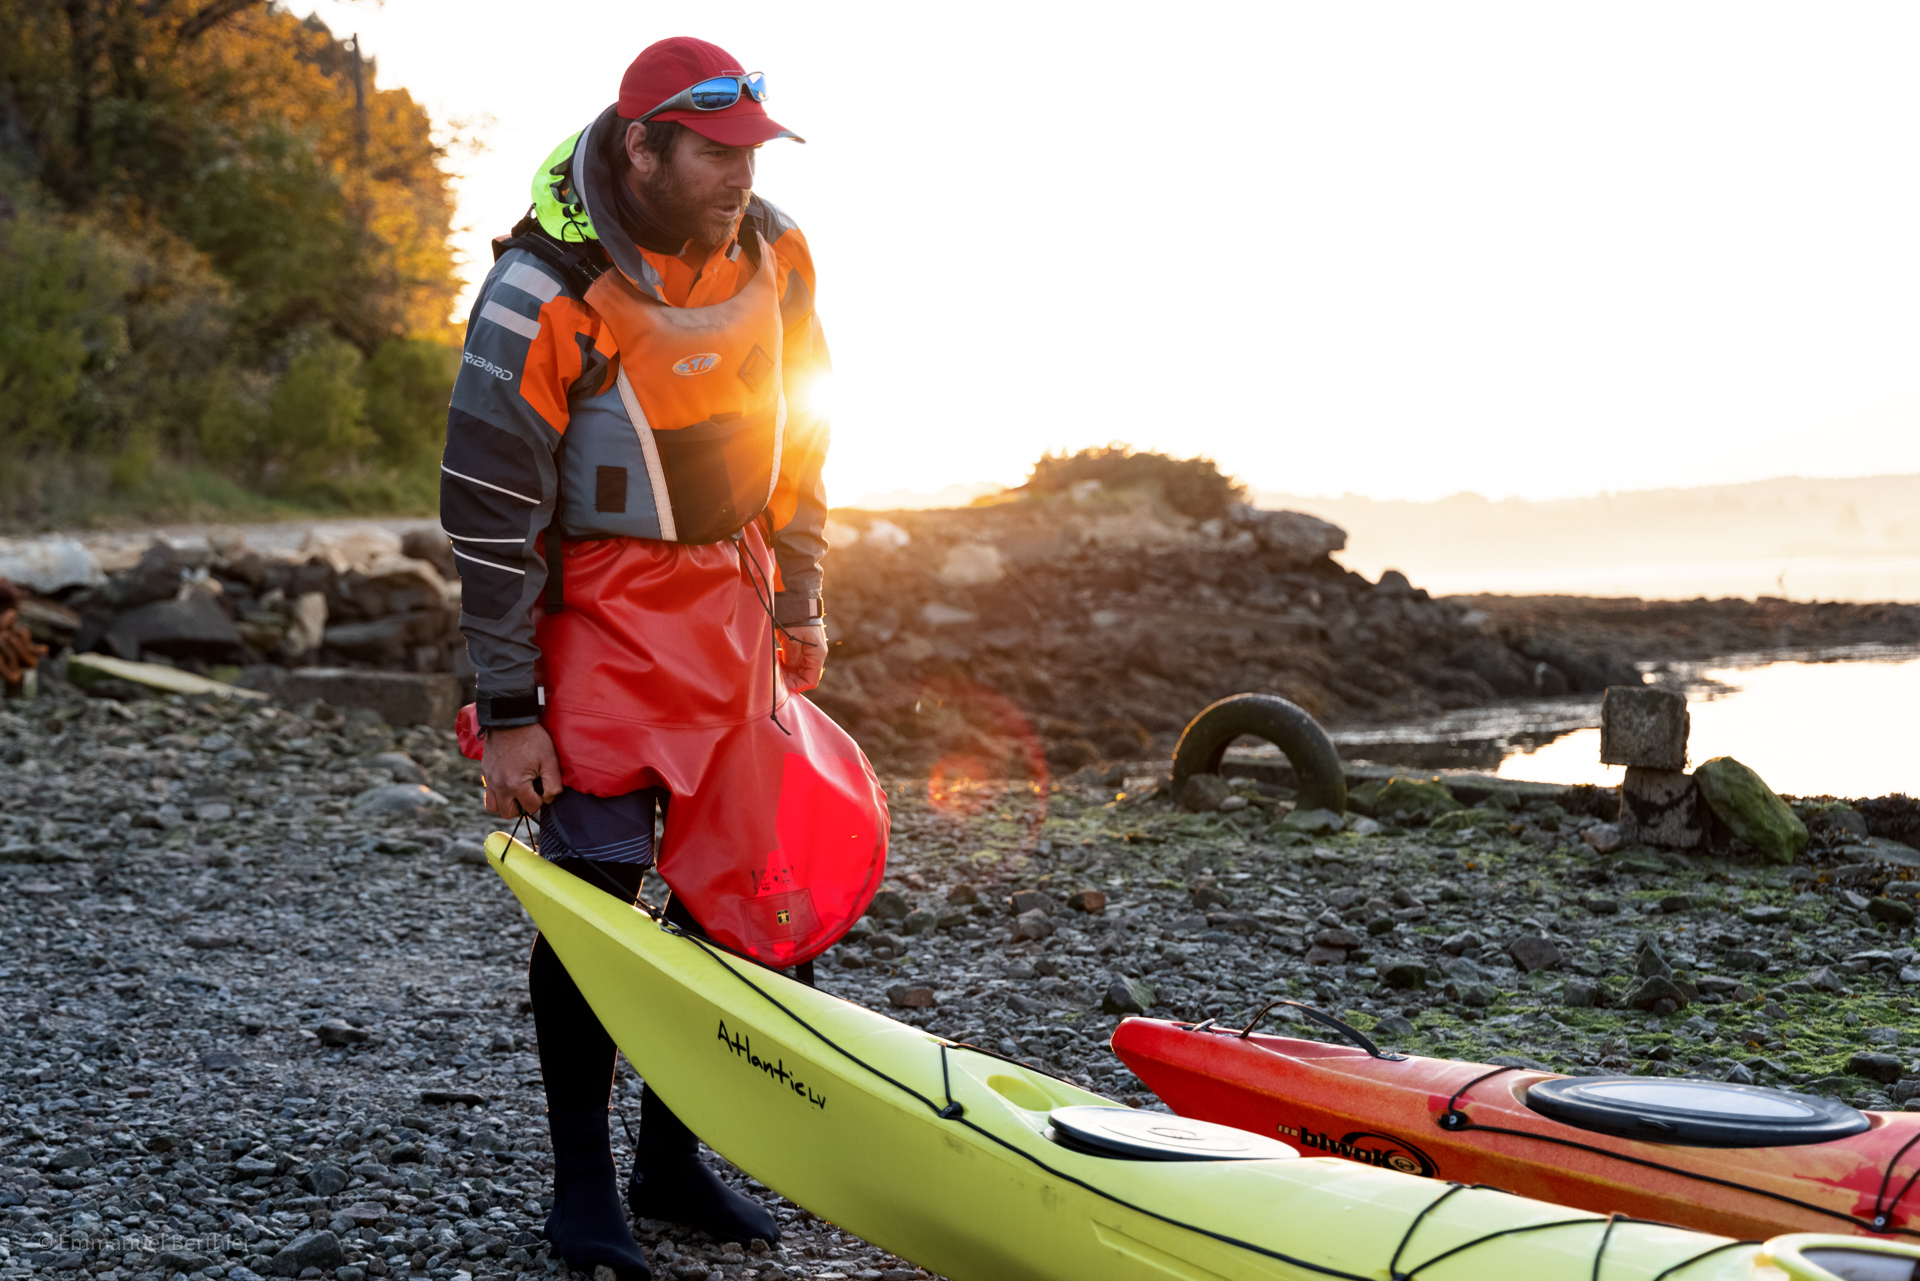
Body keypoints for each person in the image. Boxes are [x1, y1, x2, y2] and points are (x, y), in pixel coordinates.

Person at [440, 36, 879, 1281]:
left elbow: (804, 428)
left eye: (752, 153)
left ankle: (671, 1159)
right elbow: (488, 514)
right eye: (716, 155)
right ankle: (583, 1187)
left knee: (733, 892)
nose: (742, 177)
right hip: (594, 615)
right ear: (642, 147)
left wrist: (802, 591)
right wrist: (508, 708)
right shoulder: (542, 291)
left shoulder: (776, 251)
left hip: (729, 601)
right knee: (597, 898)